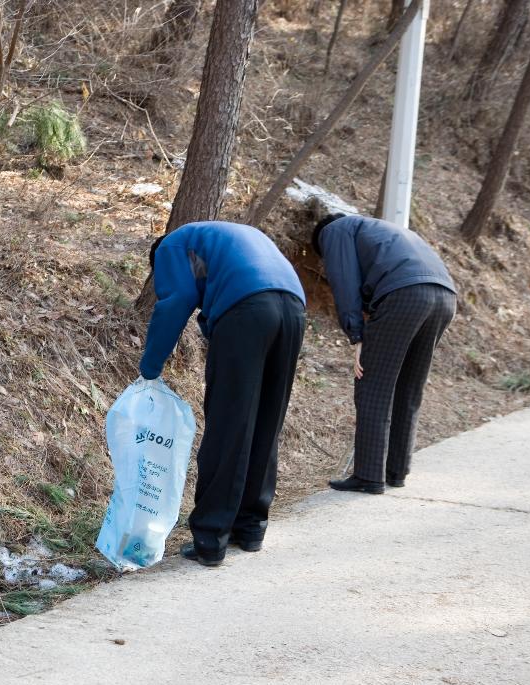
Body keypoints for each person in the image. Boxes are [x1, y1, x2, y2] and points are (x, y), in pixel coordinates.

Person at [140, 222, 306, 568]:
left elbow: (176, 302)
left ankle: (211, 537)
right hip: (293, 306)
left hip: (247, 310)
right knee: (266, 420)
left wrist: (150, 368)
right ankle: (250, 527)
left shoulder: (170, 247)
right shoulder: (224, 237)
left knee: (229, 424)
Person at [311, 213, 456, 494]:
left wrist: (356, 337)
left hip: (406, 295)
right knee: (408, 386)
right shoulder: (380, 230)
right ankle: (396, 470)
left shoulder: (334, 230)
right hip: (445, 297)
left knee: (372, 385)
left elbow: (344, 282)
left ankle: (368, 476)